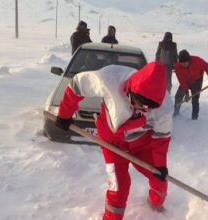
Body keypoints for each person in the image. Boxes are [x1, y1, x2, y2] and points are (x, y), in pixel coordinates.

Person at [54, 62, 173, 220]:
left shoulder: (164, 108)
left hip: (142, 145)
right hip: (112, 143)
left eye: (148, 108)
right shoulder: (109, 79)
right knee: (119, 187)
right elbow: (77, 85)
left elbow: (161, 139)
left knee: (159, 181)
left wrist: (160, 166)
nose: (142, 110)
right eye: (139, 104)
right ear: (130, 90)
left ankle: (155, 208)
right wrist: (64, 114)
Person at [173, 50, 208, 120]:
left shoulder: (197, 60)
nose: (184, 64)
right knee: (178, 96)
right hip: (186, 81)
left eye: (185, 63)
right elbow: (181, 80)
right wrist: (186, 92)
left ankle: (194, 118)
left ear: (189, 60)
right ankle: (175, 113)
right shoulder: (177, 66)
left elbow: (207, 67)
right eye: (182, 63)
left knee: (195, 99)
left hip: (197, 81)